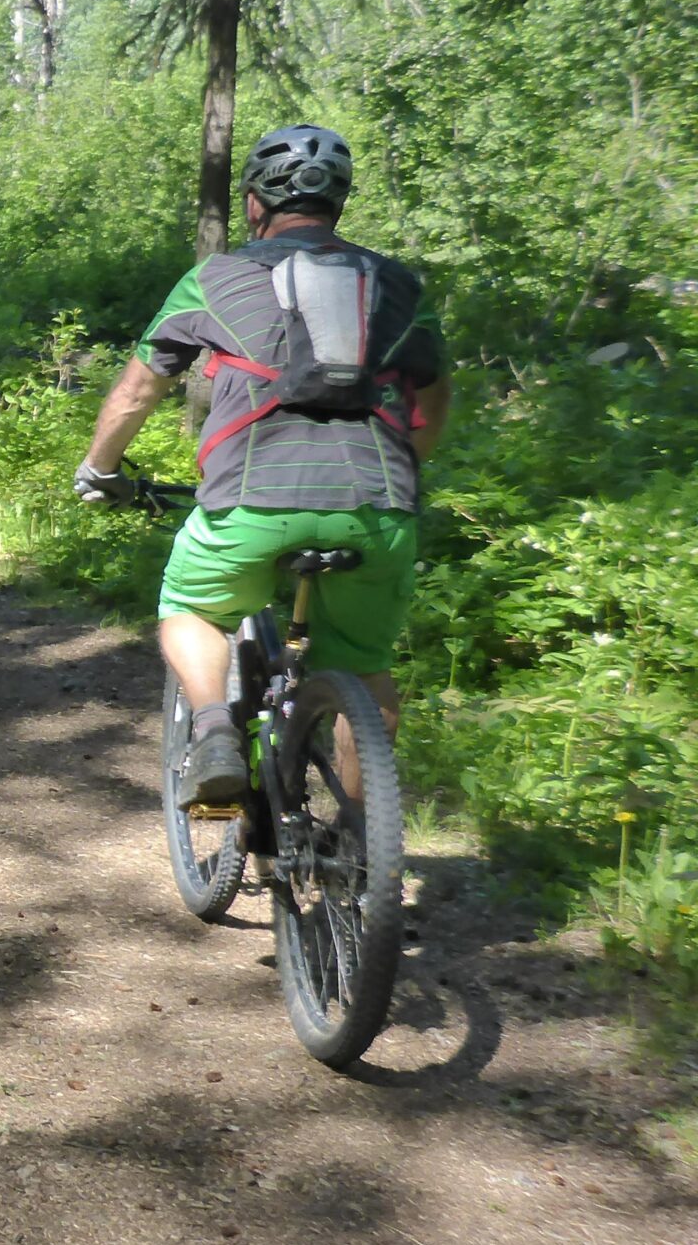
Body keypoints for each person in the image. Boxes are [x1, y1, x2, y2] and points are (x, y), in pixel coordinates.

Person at [72, 126, 451, 807]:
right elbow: (432, 401)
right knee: (364, 672)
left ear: (254, 204)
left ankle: (216, 730)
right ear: (338, 202)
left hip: (251, 501)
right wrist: (403, 476)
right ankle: (363, 853)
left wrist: (100, 470)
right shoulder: (397, 284)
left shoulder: (216, 278)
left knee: (188, 609)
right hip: (377, 505)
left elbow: (136, 390)